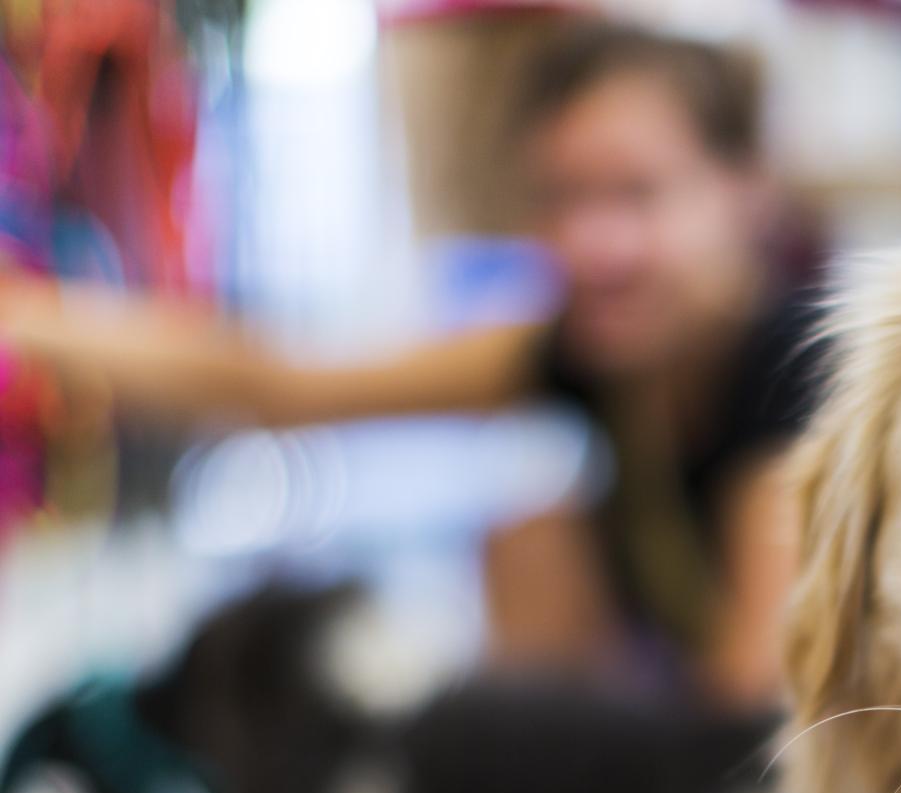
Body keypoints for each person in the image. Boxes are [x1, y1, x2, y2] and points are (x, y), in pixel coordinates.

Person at [0, 21, 823, 705]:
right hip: (695, 773)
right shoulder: (595, 350)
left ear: (746, 190)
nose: (591, 245)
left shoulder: (794, 366)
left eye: (638, 195)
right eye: (560, 199)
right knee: (532, 539)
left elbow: (754, 714)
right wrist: (27, 317)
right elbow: (276, 384)